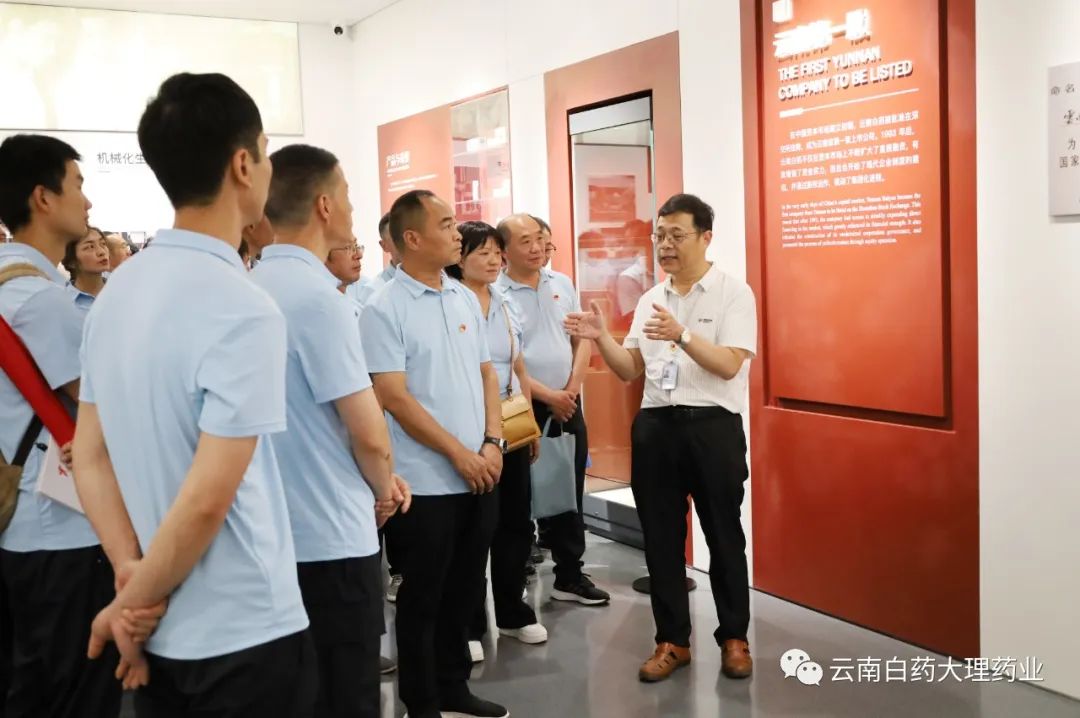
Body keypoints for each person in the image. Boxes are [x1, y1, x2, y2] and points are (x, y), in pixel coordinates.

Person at [72, 72, 317, 717]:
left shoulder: (116, 294)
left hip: (158, 628)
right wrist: (129, 605)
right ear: (243, 165)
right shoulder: (243, 305)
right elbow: (209, 499)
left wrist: (130, 577)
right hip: (246, 628)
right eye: (265, 152)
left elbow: (88, 457)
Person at [564, 193, 758, 683]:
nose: (665, 245)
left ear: (705, 237)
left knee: (724, 536)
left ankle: (734, 638)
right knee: (661, 541)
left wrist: (682, 335)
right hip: (656, 428)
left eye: (677, 235)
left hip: (713, 428)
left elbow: (730, 364)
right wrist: (600, 337)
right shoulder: (651, 297)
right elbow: (630, 368)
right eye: (659, 235)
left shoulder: (733, 293)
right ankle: (672, 641)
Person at [252, 143, 408, 717]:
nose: (350, 208)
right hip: (332, 533)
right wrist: (385, 487)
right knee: (347, 693)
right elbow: (367, 432)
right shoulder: (321, 299)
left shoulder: (252, 284)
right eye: (346, 195)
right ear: (324, 205)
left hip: (274, 531)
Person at [0, 134, 151, 718]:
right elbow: (105, 408)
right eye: (78, 185)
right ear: (43, 197)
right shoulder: (40, 300)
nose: (87, 202)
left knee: (33, 686)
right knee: (78, 693)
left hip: (24, 527)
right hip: (61, 527)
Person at [361, 190, 507, 718]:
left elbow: (487, 373)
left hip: (480, 472)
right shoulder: (383, 307)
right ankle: (421, 701)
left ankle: (453, 687)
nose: (456, 233)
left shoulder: (462, 296)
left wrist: (492, 442)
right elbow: (393, 397)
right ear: (412, 238)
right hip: (424, 482)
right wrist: (459, 454)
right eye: (445, 224)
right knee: (423, 597)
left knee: (465, 590)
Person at [495, 214, 610, 607]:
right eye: (524, 241)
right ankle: (516, 575)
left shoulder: (561, 283)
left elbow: (582, 340)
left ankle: (570, 574)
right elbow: (508, 360)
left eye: (540, 239)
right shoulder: (496, 293)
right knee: (519, 491)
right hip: (519, 404)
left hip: (568, 401)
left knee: (568, 487)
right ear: (504, 249)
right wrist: (549, 396)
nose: (536, 248)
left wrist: (571, 390)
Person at [446, 221, 546, 663]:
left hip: (511, 420)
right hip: (472, 427)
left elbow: (517, 364)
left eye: (495, 252)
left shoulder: (504, 301)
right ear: (459, 258)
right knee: (475, 528)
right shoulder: (452, 302)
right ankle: (467, 622)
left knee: (516, 522)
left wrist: (529, 422)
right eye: (481, 252)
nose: (493, 260)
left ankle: (511, 610)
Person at [62, 226, 110, 312]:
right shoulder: (61, 302)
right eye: (90, 247)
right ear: (71, 261)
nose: (102, 252)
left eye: (103, 244)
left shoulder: (120, 289)